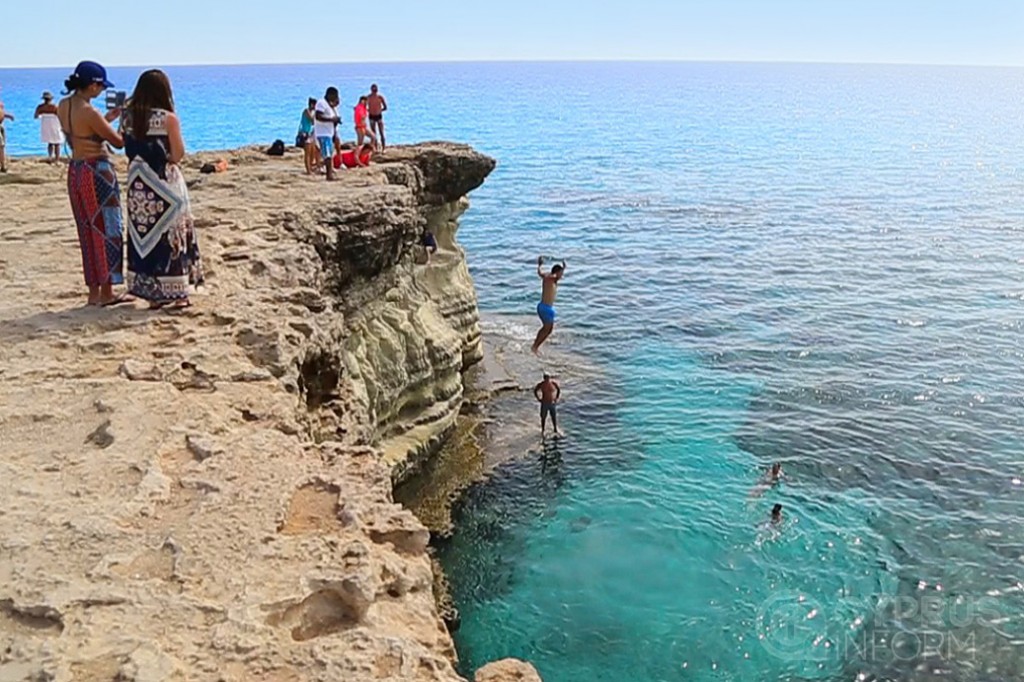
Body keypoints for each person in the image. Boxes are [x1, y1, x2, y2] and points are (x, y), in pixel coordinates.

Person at [122, 69, 203, 309]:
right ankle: (176, 292)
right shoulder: (168, 119)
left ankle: (150, 292)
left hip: (138, 185)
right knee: (171, 235)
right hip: (163, 183)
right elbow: (177, 154)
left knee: (143, 235)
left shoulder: (127, 117)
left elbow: (124, 145)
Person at [57, 60, 130, 306]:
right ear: (92, 85)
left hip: (76, 170)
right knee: (107, 229)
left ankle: (93, 292)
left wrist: (106, 118)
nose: (100, 92)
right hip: (97, 170)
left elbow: (83, 132)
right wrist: (121, 121)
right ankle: (108, 292)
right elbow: (118, 142)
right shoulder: (90, 112)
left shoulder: (63, 105)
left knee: (86, 230)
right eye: (99, 87)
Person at [531, 256, 566, 354]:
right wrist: (562, 269)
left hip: (546, 308)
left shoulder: (553, 279)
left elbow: (540, 274)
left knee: (547, 329)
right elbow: (546, 276)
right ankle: (534, 347)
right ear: (557, 272)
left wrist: (539, 266)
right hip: (545, 308)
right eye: (561, 273)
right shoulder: (550, 278)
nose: (562, 275)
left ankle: (535, 346)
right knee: (547, 328)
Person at [314, 87, 341, 181]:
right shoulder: (321, 103)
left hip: (329, 133)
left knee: (329, 154)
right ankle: (329, 175)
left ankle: (329, 173)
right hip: (322, 133)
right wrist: (331, 120)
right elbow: (318, 116)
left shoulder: (330, 107)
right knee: (327, 155)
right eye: (335, 96)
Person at [35, 92, 64, 163]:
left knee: (50, 142)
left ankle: (50, 157)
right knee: (57, 143)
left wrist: (44, 115)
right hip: (55, 124)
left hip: (46, 126)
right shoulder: (54, 107)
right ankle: (57, 159)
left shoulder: (40, 107)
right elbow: (60, 116)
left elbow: (36, 116)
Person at [534, 373, 562, 437]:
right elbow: (535, 390)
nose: (547, 380)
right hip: (544, 403)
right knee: (543, 417)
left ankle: (555, 429)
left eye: (548, 378)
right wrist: (538, 398)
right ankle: (543, 430)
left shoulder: (553, 383)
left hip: (552, 403)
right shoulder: (541, 384)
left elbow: (558, 389)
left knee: (554, 416)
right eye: (546, 378)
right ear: (544, 378)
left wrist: (556, 398)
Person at [298, 97, 319, 174]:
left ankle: (311, 166)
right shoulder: (306, 111)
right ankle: (308, 170)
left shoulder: (313, 112)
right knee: (307, 152)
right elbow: (312, 120)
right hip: (305, 133)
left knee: (312, 151)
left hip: (311, 133)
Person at [367, 83, 387, 152]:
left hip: (378, 116)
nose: (374, 91)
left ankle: (383, 148)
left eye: (375, 90)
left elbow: (385, 107)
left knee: (381, 132)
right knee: (373, 133)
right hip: (371, 116)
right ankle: (375, 148)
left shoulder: (380, 97)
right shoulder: (368, 97)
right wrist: (368, 110)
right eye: (373, 90)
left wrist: (379, 110)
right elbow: (363, 106)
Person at [0, 96, 13, 173]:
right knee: (1, 146)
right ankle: (3, 166)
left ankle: (2, 165)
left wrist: (7, 116)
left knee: (2, 146)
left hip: (1, 125)